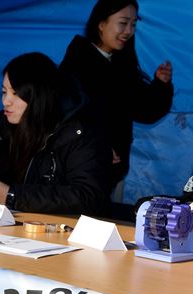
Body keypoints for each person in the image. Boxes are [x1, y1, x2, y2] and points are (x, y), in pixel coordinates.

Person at [0, 52, 110, 215]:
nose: (6, 101)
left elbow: (88, 197)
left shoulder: (79, 133)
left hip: (67, 232)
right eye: (4, 91)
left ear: (38, 94)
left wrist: (12, 195)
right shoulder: (5, 130)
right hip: (18, 228)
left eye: (16, 93)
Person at [59, 0, 173, 194]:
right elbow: (67, 116)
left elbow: (144, 110)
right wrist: (98, 145)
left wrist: (160, 85)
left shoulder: (121, 65)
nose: (128, 31)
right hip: (79, 174)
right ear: (101, 24)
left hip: (112, 173)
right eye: (123, 22)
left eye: (134, 24)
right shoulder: (76, 66)